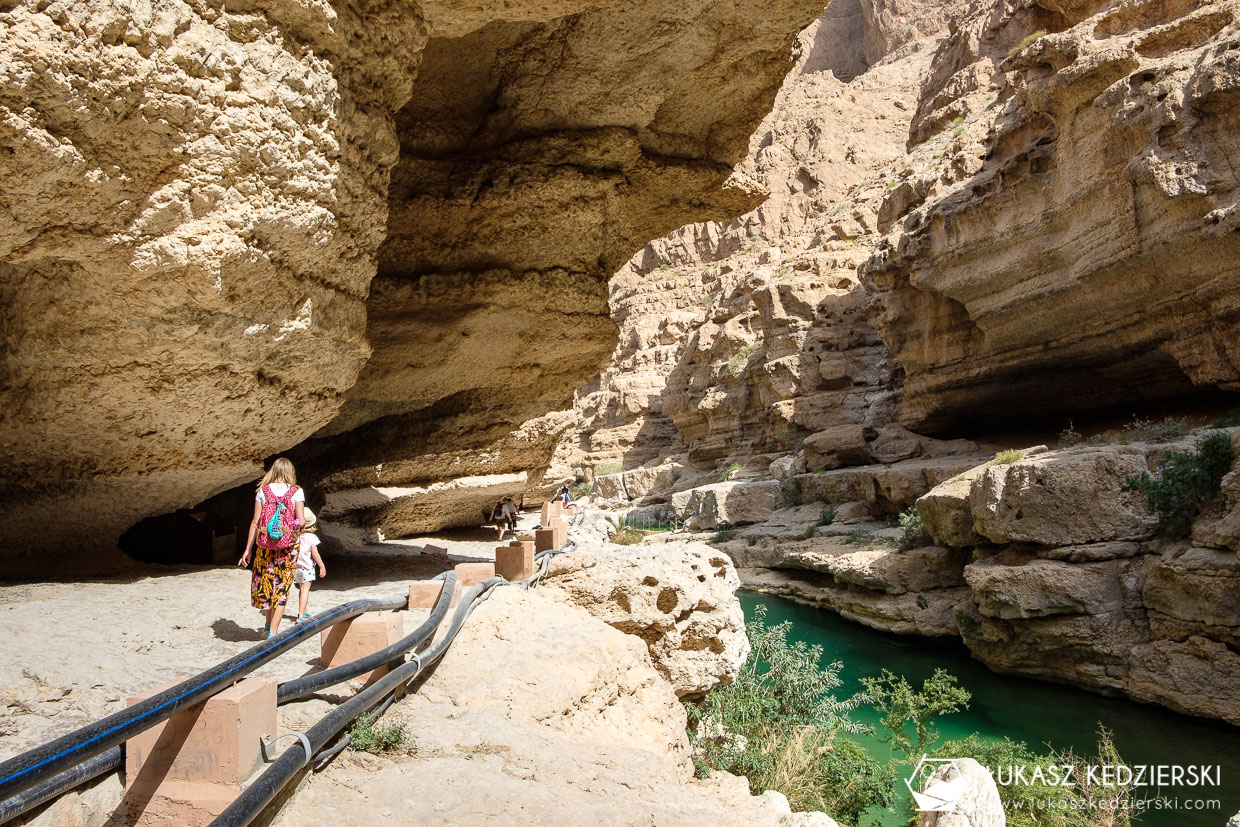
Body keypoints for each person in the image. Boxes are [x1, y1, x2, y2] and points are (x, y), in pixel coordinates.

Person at [238, 457, 305, 638]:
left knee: (267, 584)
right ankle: (273, 633)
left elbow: (255, 521)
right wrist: (292, 528)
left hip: (265, 546)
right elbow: (301, 521)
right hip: (288, 548)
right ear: (290, 472)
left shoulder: (262, 491)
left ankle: (267, 626)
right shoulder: (296, 492)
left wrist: (247, 549)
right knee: (282, 587)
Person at [293, 507, 327, 623]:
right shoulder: (312, 537)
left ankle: (304, 610)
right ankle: (301, 615)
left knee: (301, 589)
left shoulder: (295, 536)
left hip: (296, 568)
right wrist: (322, 566)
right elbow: (315, 553)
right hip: (307, 567)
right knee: (305, 590)